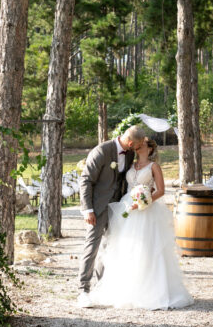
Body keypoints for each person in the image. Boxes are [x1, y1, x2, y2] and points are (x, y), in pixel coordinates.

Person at [89, 137, 194, 310]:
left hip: (146, 209)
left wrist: (145, 202)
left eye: (141, 145)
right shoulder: (130, 165)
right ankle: (124, 290)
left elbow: (160, 190)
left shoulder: (154, 167)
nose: (137, 147)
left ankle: (151, 291)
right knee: (125, 245)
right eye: (136, 145)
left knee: (147, 248)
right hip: (126, 206)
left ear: (149, 149)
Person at [77, 126, 146, 307]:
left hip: (119, 207)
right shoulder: (101, 151)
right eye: (137, 146)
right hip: (97, 207)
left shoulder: (129, 154)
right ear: (131, 143)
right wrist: (88, 210)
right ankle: (83, 290)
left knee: (110, 246)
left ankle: (101, 287)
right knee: (92, 246)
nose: (137, 150)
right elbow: (85, 180)